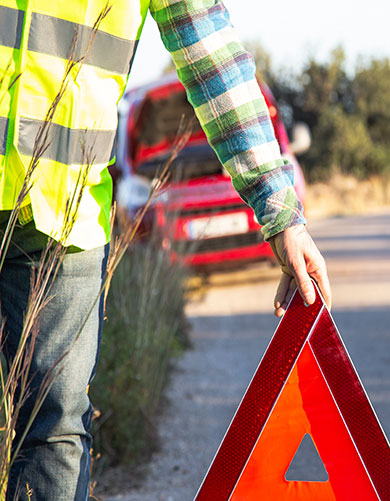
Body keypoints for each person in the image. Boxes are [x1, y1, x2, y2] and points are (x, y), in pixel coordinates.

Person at [0, 0, 331, 498]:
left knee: (52, 431)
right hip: (61, 210)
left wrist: (279, 209)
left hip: (61, 213)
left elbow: (209, 48)